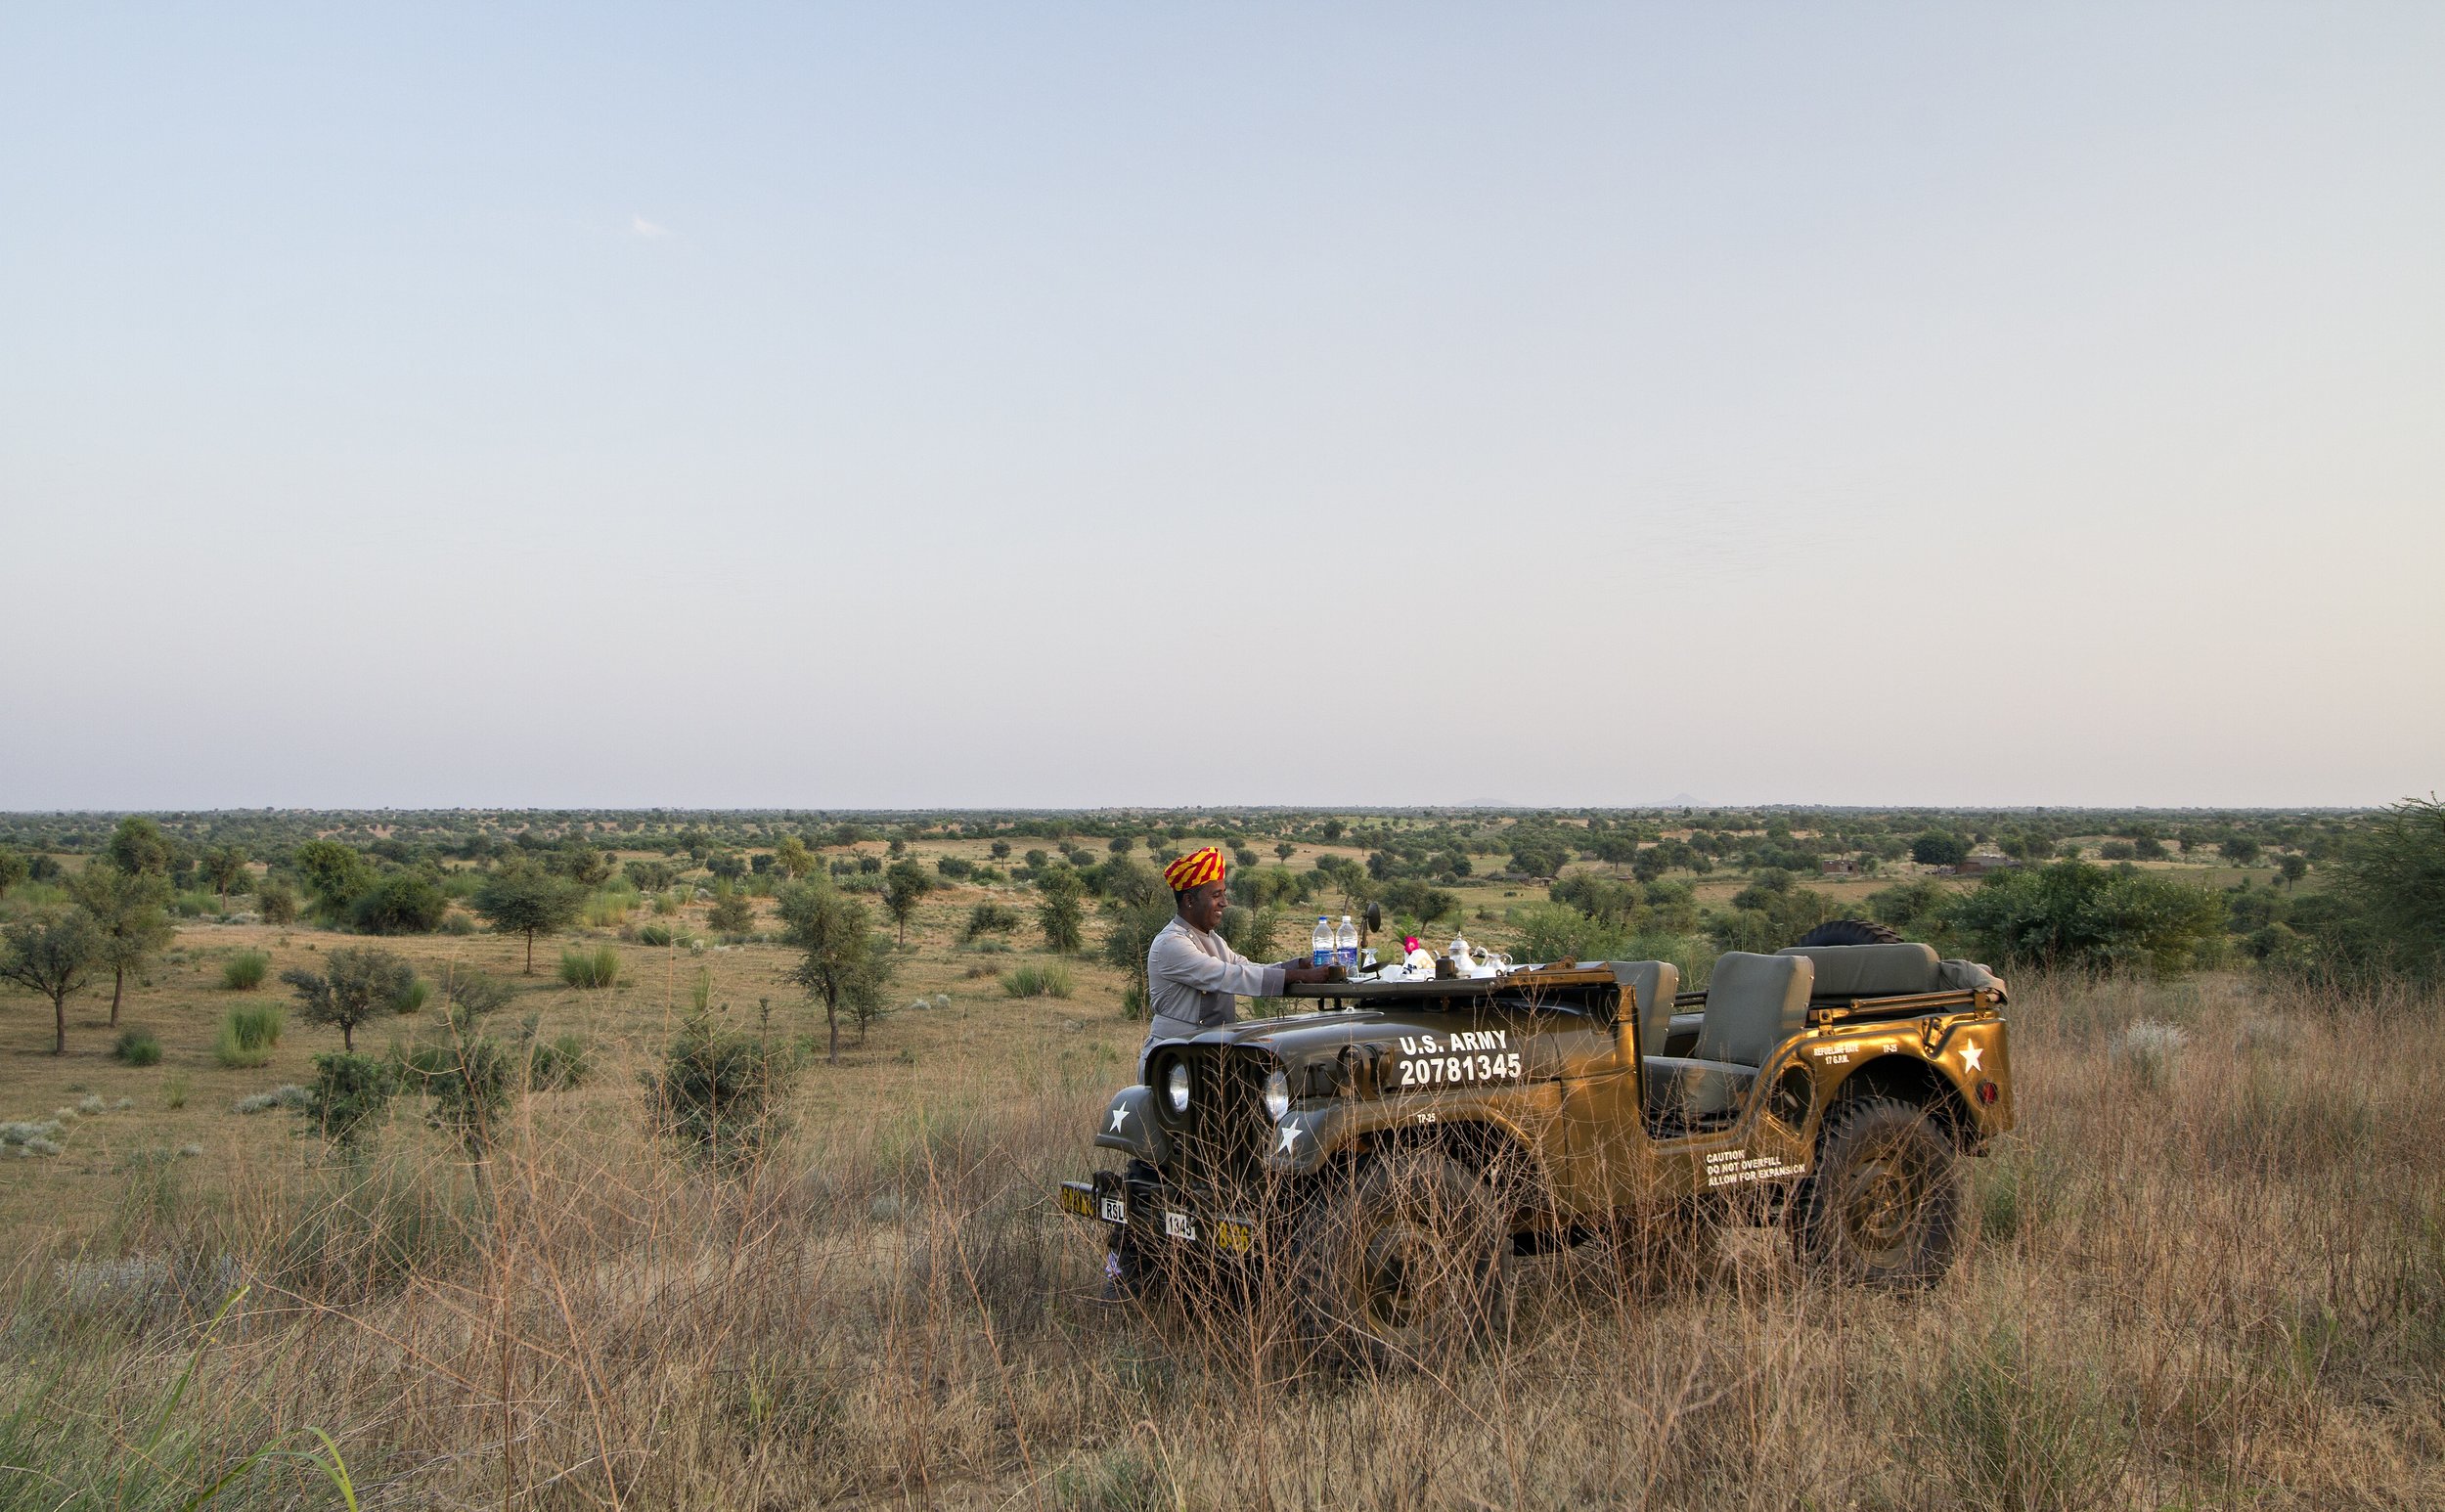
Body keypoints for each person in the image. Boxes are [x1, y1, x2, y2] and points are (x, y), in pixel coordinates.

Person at [1140, 846, 1332, 1076]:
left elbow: (1246, 967)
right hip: (1173, 1059)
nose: (1225, 902)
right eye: (1216, 895)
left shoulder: (1213, 940)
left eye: (1223, 893)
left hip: (1207, 1053)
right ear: (1189, 901)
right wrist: (1301, 976)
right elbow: (1228, 976)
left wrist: (1297, 965)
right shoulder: (1172, 944)